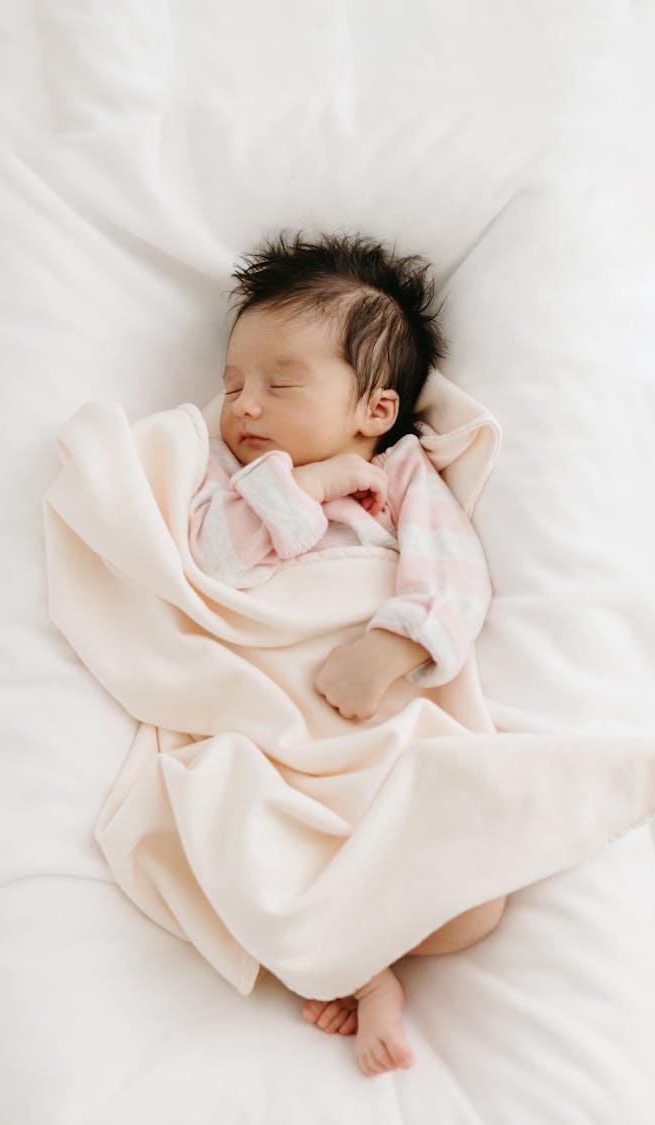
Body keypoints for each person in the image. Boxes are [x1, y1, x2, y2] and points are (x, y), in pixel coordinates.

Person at [188, 232, 507, 1077]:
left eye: (279, 383)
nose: (243, 405)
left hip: (380, 703)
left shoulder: (404, 478)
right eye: (232, 384)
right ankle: (363, 967)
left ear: (375, 410)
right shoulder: (230, 481)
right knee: (229, 827)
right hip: (274, 716)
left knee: (477, 897)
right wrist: (308, 488)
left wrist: (394, 644)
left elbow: (455, 571)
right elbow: (213, 565)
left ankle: (364, 955)